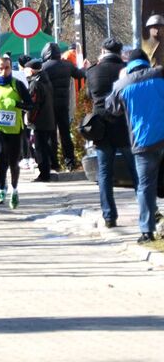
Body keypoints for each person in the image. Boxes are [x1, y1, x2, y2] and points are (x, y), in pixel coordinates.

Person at [105, 49, 164, 243]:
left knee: (145, 186)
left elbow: (112, 109)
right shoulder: (161, 74)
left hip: (143, 142)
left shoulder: (123, 84)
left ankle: (147, 231)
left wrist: (120, 80)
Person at [86, 38, 139, 227]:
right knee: (136, 171)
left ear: (102, 51)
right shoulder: (127, 69)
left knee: (104, 174)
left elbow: (88, 95)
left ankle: (109, 216)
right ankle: (145, 211)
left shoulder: (92, 71)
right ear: (119, 52)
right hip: (125, 125)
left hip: (101, 128)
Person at [0, 56, 34, 208]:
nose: (3, 71)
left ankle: (14, 189)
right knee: (0, 156)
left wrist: (16, 103)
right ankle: (1, 189)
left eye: (7, 68)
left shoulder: (18, 85)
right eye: (0, 68)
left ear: (10, 68)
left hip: (15, 129)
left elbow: (30, 105)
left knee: (13, 162)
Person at [41, 42, 85, 171]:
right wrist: (85, 68)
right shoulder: (68, 66)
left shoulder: (44, 67)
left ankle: (54, 163)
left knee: (52, 135)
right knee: (65, 134)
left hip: (49, 106)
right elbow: (79, 74)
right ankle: (70, 162)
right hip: (63, 105)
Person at [23, 59, 56, 182]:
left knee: (39, 148)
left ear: (31, 71)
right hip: (47, 119)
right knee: (44, 146)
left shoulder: (35, 84)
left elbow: (33, 105)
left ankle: (44, 174)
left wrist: (30, 119)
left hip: (39, 122)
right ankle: (48, 169)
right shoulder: (45, 80)